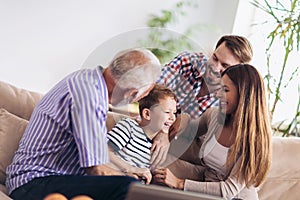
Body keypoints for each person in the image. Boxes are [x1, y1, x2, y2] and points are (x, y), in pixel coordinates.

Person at [6, 48, 162, 200]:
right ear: (133, 93)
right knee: (129, 187)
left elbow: (98, 154)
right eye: (145, 93)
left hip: (53, 179)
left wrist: (130, 168)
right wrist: (128, 177)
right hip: (33, 183)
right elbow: (96, 169)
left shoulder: (88, 80)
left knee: (129, 184)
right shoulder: (90, 99)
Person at [151, 64, 272, 199]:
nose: (218, 94)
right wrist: (164, 134)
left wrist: (179, 183)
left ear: (244, 96)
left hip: (235, 198)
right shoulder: (214, 116)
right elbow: (185, 128)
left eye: (225, 90)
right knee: (155, 167)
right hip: (206, 183)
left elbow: (227, 191)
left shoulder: (254, 141)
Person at [150, 35, 254, 168]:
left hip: (188, 151)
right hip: (155, 128)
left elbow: (207, 143)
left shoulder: (231, 99)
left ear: (237, 72)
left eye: (225, 66)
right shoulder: (188, 62)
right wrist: (163, 131)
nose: (214, 68)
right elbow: (153, 92)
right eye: (215, 58)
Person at [105, 84, 177, 185]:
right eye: (167, 112)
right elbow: (104, 152)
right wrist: (130, 169)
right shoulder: (129, 127)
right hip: (112, 181)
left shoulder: (157, 147)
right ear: (147, 114)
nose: (172, 118)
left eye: (174, 113)